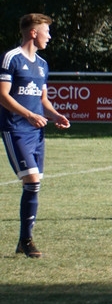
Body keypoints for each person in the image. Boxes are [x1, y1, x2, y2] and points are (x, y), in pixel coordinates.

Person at [1, 14, 71, 258]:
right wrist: (29, 115)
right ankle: (27, 240)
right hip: (16, 129)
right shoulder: (11, 59)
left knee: (34, 183)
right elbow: (3, 96)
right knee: (31, 179)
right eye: (46, 32)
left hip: (36, 132)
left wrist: (55, 115)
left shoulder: (42, 64)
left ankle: (23, 241)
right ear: (33, 33)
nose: (49, 37)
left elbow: (43, 100)